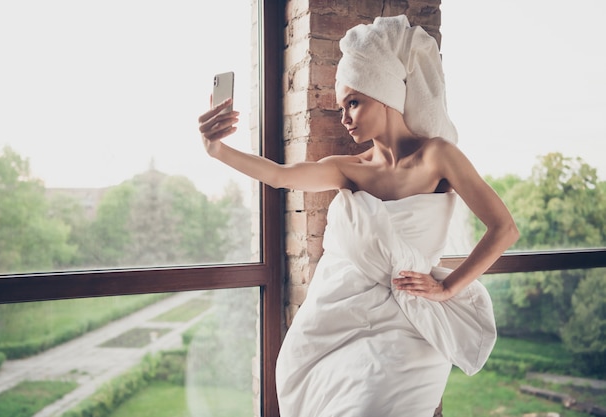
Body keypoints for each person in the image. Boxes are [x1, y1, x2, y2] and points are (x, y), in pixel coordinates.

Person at [198, 15, 518, 417]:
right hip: (341, 312)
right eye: (341, 107)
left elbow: (504, 228)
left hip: (408, 319)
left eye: (353, 102)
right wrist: (217, 151)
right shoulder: (349, 168)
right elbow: (280, 176)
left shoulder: (438, 156)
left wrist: (448, 288)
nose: (344, 117)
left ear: (382, 92)